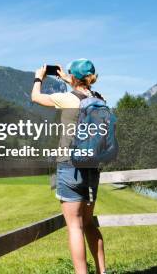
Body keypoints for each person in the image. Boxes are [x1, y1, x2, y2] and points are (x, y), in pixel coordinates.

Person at [31, 58, 107, 274]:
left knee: (75, 226)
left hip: (70, 166)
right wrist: (68, 79)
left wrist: (39, 76)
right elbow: (85, 92)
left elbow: (35, 97)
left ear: (73, 77)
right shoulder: (100, 100)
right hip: (92, 167)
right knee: (89, 223)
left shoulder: (67, 99)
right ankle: (103, 272)